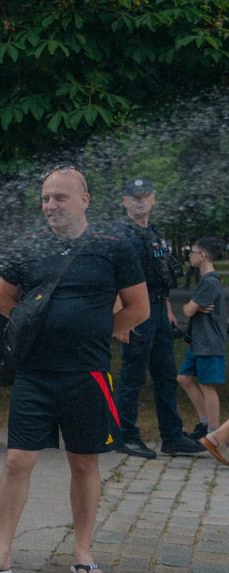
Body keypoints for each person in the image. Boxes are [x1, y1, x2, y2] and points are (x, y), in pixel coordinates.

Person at [0, 167, 148, 573]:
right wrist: (37, 327)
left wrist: (96, 328)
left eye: (60, 197)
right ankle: (1, 552)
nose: (51, 205)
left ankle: (83, 551)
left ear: (85, 199)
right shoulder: (26, 247)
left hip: (89, 373)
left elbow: (139, 308)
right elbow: (3, 300)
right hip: (35, 374)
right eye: (46, 198)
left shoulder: (114, 247)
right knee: (17, 460)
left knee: (84, 462)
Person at [112, 178, 202, 458]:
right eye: (134, 197)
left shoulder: (154, 233)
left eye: (145, 196)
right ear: (124, 201)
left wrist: (167, 309)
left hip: (158, 311)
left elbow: (160, 275)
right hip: (135, 312)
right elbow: (113, 277)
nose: (140, 201)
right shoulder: (121, 236)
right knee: (133, 375)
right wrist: (120, 316)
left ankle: (172, 437)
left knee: (165, 375)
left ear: (153, 199)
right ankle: (125, 435)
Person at [177, 238, 226, 442]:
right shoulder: (206, 281)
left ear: (203, 256)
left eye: (193, 252)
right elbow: (190, 309)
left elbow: (188, 310)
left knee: (207, 386)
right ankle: (205, 423)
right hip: (198, 342)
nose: (190, 255)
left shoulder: (210, 281)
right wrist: (193, 307)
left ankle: (214, 435)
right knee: (184, 379)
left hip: (209, 342)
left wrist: (192, 307)